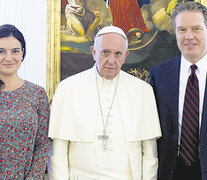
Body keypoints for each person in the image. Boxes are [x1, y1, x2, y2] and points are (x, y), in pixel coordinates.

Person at [47, 25, 161, 180]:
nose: (111, 61)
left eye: (118, 54)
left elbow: (150, 155)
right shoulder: (68, 88)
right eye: (105, 52)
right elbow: (57, 153)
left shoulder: (143, 91)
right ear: (94, 52)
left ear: (125, 55)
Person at [150, 1, 207, 180]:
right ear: (175, 32)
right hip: (171, 172)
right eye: (182, 30)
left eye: (196, 29)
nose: (189, 36)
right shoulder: (159, 75)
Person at [0, 24, 51, 179]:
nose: (8, 57)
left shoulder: (37, 94)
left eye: (15, 51)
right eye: (1, 51)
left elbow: (42, 145)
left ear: (22, 53)